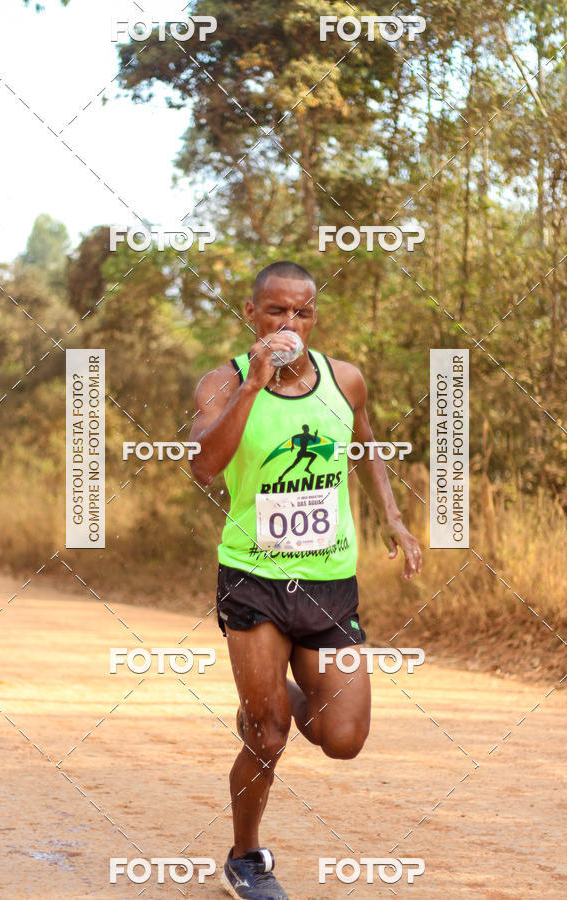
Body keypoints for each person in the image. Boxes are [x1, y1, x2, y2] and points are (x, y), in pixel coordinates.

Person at [190, 261, 422, 900]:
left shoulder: (344, 380)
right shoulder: (223, 382)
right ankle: (246, 857)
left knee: (342, 738)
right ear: (252, 312)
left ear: (315, 317)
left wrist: (396, 521)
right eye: (276, 312)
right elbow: (204, 467)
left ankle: (273, 693)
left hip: (328, 584)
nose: (289, 324)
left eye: (302, 313)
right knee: (267, 737)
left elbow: (366, 445)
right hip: (254, 578)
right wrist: (251, 389)